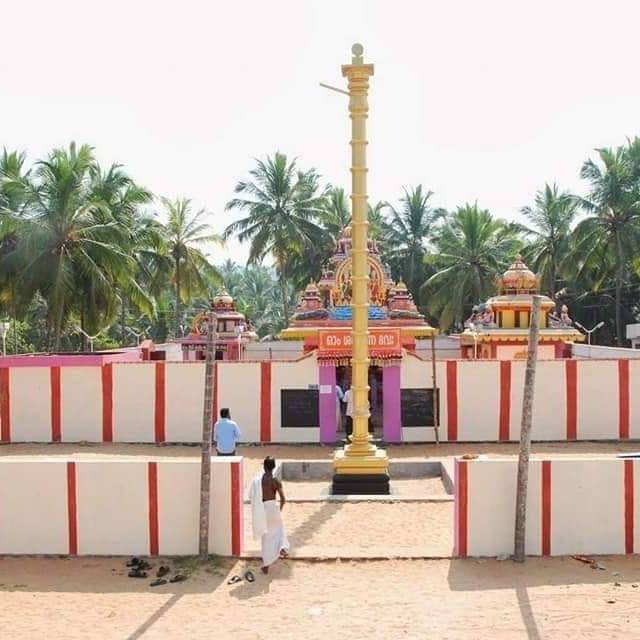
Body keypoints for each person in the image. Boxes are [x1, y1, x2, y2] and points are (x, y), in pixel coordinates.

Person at [249, 456, 289, 574]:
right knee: (279, 530)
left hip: (263, 509)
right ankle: (282, 548)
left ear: (264, 466)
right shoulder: (275, 481)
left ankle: (266, 565)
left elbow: (251, 495)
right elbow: (283, 499)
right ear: (273, 467)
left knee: (266, 537)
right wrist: (279, 510)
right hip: (273, 508)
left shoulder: (258, 481)